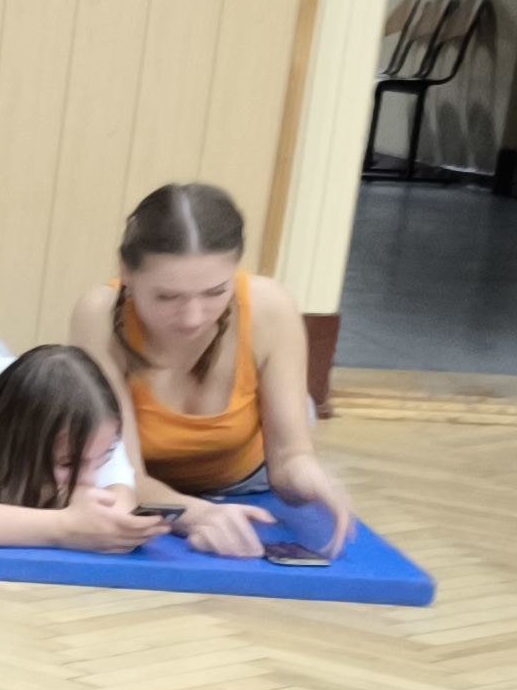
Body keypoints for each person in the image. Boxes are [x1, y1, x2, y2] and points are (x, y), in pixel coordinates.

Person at [66, 183, 355, 560]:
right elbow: (123, 476)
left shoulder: (269, 307)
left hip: (248, 476)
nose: (193, 317)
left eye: (215, 292)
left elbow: (289, 458)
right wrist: (197, 514)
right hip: (144, 479)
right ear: (127, 275)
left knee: (302, 410)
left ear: (236, 271)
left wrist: (309, 474)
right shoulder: (99, 315)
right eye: (167, 296)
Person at [0, 344, 171, 552]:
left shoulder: (98, 434)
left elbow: (118, 512)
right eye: (68, 463)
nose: (90, 482)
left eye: (102, 459)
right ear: (14, 449)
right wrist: (65, 525)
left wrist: (126, 528)